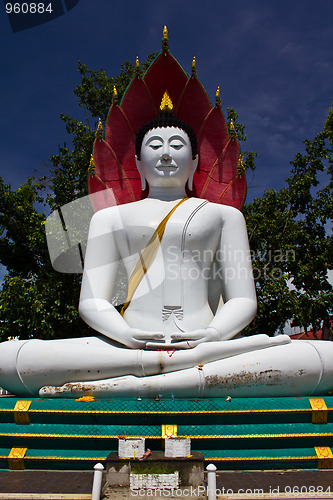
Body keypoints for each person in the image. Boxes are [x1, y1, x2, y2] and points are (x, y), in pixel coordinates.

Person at [1, 110, 332, 399]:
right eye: (155, 146)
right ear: (137, 161)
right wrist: (127, 336)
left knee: (321, 357)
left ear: (196, 161)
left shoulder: (224, 216)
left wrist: (214, 335)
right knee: (8, 357)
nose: (165, 155)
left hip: (208, 347)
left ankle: (136, 383)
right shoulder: (109, 218)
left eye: (177, 146)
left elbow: (243, 300)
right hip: (126, 347)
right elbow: (92, 301)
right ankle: (173, 375)